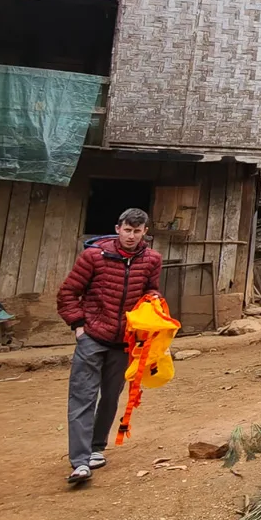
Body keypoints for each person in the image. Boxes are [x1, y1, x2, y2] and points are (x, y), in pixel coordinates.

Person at [55, 208, 163, 485]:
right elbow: (68, 292)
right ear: (118, 228)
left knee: (111, 396)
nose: (131, 236)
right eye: (127, 230)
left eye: (137, 231)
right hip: (92, 337)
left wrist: (153, 301)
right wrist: (78, 326)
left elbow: (151, 289)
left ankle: (96, 448)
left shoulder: (152, 260)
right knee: (82, 397)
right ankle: (80, 462)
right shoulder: (94, 256)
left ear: (145, 233)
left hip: (125, 342)